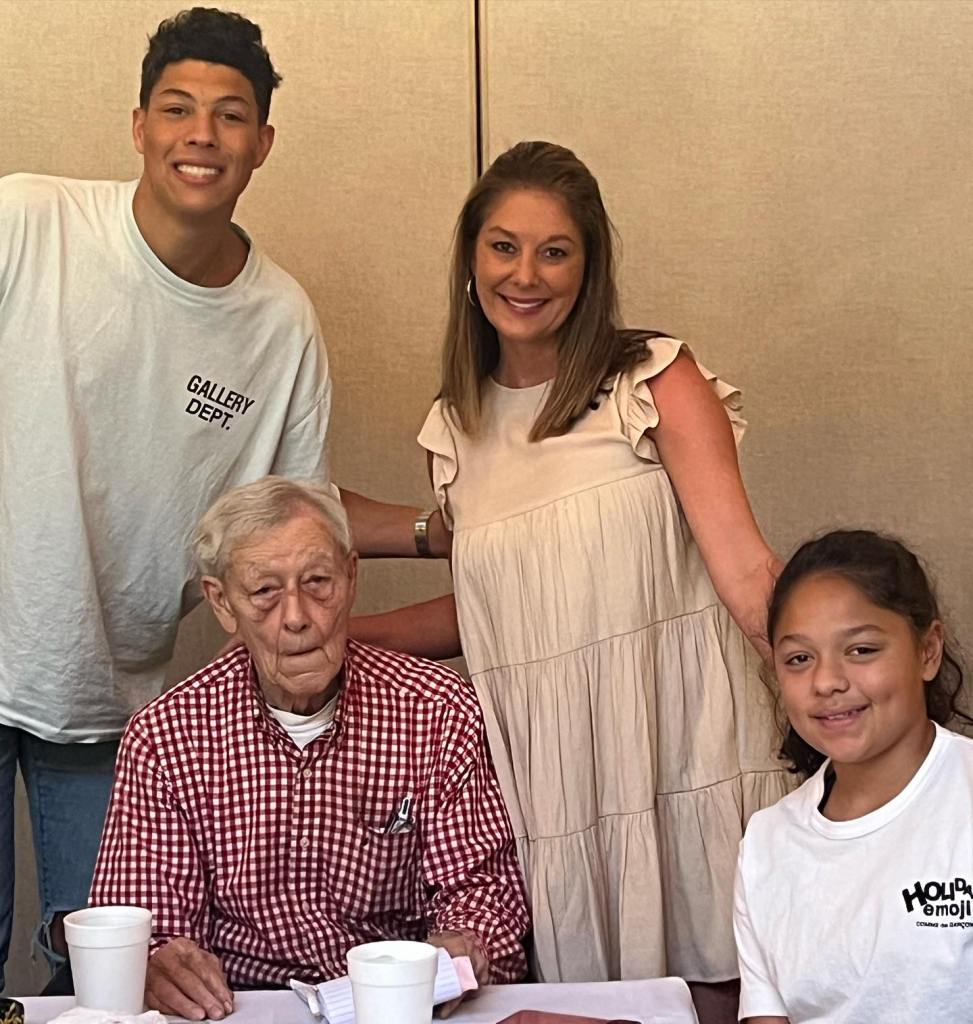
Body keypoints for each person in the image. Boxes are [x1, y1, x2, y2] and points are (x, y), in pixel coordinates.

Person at [0, 7, 449, 989]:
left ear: (262, 144)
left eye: (229, 114)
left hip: (107, 691)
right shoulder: (28, 220)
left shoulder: (278, 321)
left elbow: (294, 517)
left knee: (111, 981)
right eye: (177, 108)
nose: (201, 133)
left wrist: (442, 530)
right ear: (138, 125)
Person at [352, 140, 790, 1021]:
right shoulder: (457, 427)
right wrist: (337, 641)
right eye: (503, 246)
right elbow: (502, 615)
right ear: (470, 260)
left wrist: (850, 707)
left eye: (555, 250)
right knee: (592, 1004)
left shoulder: (651, 380)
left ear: (588, 268)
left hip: (686, 735)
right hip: (556, 769)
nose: (526, 274)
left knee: (723, 989)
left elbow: (745, 570)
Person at [89, 477, 527, 1022]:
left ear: (351, 576)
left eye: (317, 581)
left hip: (396, 1008)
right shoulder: (166, 735)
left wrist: (466, 944)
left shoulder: (436, 710)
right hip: (240, 1008)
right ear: (222, 604)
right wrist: (157, 963)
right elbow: (149, 925)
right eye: (265, 592)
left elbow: (483, 890)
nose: (296, 616)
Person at [734, 529, 973, 1024]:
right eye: (799, 659)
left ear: (927, 651)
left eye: (861, 650)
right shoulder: (766, 842)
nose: (827, 682)